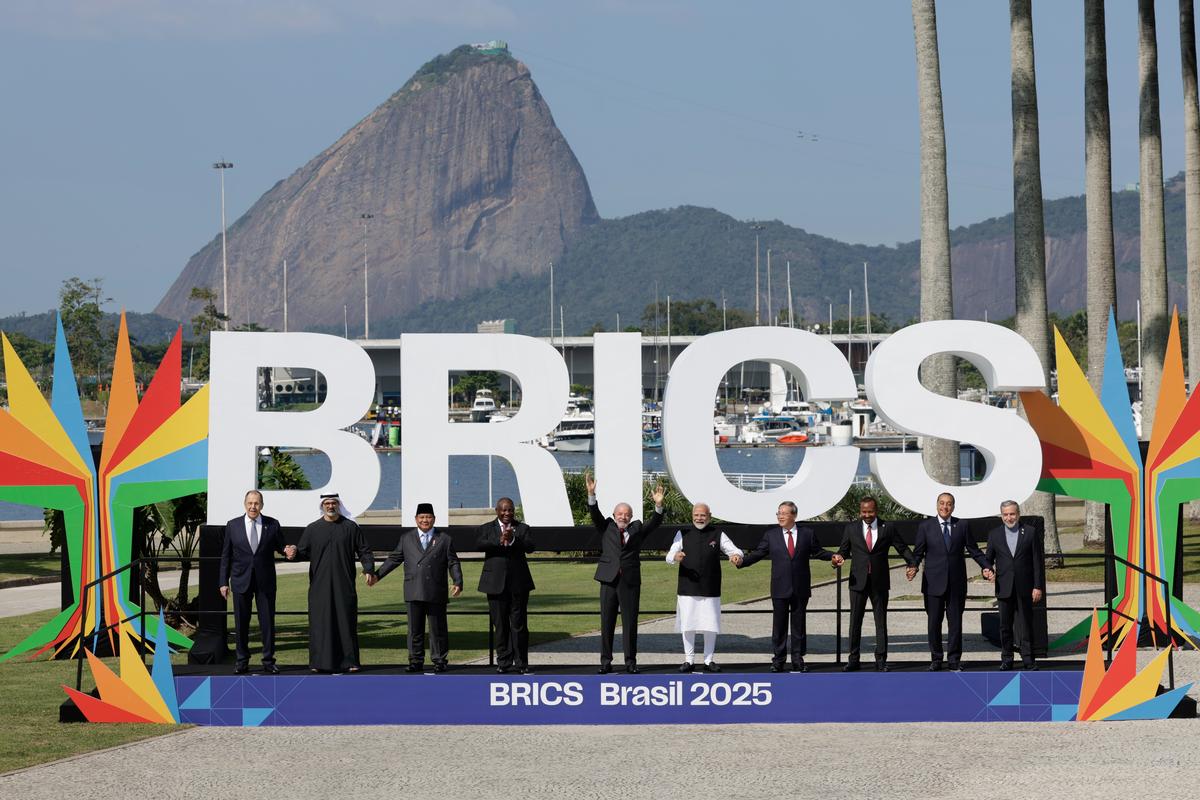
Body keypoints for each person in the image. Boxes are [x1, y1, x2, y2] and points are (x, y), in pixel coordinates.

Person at [737, 500, 834, 672]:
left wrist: (834, 556)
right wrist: (742, 562)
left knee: (799, 626)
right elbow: (759, 553)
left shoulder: (807, 534)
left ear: (794, 515)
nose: (780, 516)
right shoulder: (771, 535)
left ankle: (798, 659)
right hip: (779, 587)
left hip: (800, 587)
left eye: (784, 513)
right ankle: (778, 660)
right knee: (779, 626)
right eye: (778, 513)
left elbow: (818, 552)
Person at [586, 470, 665, 674]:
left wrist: (658, 505)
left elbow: (655, 523)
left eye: (627, 514)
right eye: (620, 514)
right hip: (608, 579)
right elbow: (594, 513)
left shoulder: (637, 529)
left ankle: (630, 662)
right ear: (614, 515)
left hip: (629, 581)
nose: (623, 516)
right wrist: (592, 495)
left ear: (631, 517)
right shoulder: (607, 527)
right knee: (607, 622)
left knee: (630, 623)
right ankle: (605, 662)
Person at [370, 502, 463, 672]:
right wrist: (377, 575)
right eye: (422, 517)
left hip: (436, 589)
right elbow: (394, 559)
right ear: (416, 519)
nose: (425, 520)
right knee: (415, 630)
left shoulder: (444, 539)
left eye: (428, 517)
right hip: (413, 589)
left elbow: (453, 562)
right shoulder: (406, 538)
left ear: (434, 519)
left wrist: (457, 582)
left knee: (438, 629)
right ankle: (415, 660)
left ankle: (440, 660)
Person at [910, 492, 993, 671]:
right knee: (934, 623)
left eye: (949, 504)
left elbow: (974, 550)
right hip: (933, 583)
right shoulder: (926, 526)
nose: (945, 507)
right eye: (942, 503)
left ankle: (954, 659)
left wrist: (987, 566)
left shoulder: (962, 525)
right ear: (937, 505)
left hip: (956, 584)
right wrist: (913, 567)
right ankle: (936, 659)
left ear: (953, 507)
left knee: (955, 623)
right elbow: (918, 553)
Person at [292, 493, 375, 673]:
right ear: (322, 506)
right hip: (319, 586)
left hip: (344, 584)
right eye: (327, 503)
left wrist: (368, 569)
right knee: (320, 623)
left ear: (339, 505)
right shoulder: (312, 529)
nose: (330, 506)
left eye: (333, 503)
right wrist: (293, 552)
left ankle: (350, 662)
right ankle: (318, 663)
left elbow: (364, 551)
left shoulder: (350, 527)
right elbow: (302, 552)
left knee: (346, 622)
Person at [831, 496, 915, 672]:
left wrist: (912, 563)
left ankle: (881, 660)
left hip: (880, 582)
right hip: (857, 582)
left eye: (870, 511)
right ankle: (853, 659)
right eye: (864, 512)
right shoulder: (851, 528)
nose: (867, 515)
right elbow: (843, 551)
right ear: (860, 511)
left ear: (876, 511)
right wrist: (837, 559)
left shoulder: (888, 528)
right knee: (855, 622)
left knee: (880, 622)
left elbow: (902, 548)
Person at [219, 490, 295, 674]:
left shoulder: (272, 524)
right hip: (240, 581)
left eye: (257, 503)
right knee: (241, 623)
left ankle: (268, 661)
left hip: (265, 582)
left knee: (267, 623)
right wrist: (223, 582)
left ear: (262, 505)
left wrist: (289, 550)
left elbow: (281, 546)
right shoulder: (233, 525)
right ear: (245, 504)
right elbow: (226, 556)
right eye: (250, 503)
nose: (253, 507)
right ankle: (242, 661)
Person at [665, 502, 743, 673]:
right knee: (688, 624)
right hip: (687, 586)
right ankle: (689, 660)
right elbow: (670, 554)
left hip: (710, 586)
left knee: (710, 625)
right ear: (692, 515)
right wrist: (675, 556)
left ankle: (709, 660)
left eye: (703, 515)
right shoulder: (682, 533)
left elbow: (735, 550)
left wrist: (736, 556)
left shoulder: (718, 533)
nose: (699, 518)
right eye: (697, 515)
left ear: (709, 515)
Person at [475, 497, 535, 675]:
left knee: (519, 625)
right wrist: (500, 540)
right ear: (497, 511)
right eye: (503, 510)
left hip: (518, 584)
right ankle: (503, 662)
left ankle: (521, 663)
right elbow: (479, 544)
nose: (507, 513)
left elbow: (531, 546)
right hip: (495, 584)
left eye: (510, 510)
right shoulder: (486, 528)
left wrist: (513, 539)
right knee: (500, 625)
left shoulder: (522, 528)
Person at [984, 500, 1045, 671]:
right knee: (1005, 625)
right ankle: (1007, 658)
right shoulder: (994, 534)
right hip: (1004, 587)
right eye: (1005, 514)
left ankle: (1028, 659)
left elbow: (1037, 562)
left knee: (1025, 624)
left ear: (1018, 514)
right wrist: (987, 570)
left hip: (1025, 587)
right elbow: (988, 560)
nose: (1009, 517)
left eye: (1012, 514)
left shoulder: (1030, 533)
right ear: (1001, 515)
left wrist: (1037, 586)